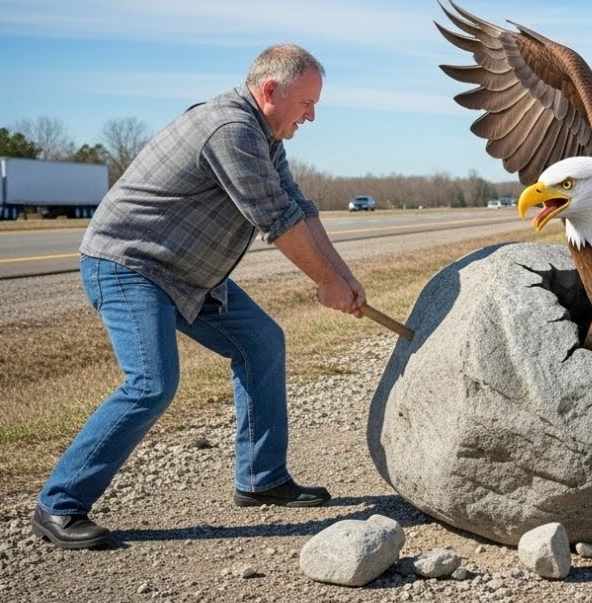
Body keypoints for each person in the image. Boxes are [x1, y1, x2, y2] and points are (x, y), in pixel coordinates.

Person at [32, 45, 366, 550]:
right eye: (306, 103)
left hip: (188, 273)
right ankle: (59, 504)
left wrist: (343, 275)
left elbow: (299, 208)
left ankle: (261, 478)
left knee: (261, 343)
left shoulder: (265, 135)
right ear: (270, 90)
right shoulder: (230, 129)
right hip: (131, 264)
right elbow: (276, 220)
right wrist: (324, 282)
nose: (312, 116)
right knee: (151, 383)